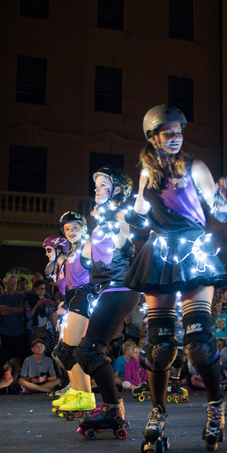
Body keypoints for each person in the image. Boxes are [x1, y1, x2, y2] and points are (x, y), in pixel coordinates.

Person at [124, 104, 227, 452]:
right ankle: (157, 412)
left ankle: (216, 407)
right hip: (159, 254)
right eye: (168, 132)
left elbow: (218, 210)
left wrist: (224, 198)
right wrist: (127, 211)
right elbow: (141, 215)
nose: (175, 138)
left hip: (193, 252)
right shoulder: (146, 172)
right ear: (152, 136)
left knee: (199, 342)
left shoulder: (194, 167)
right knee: (159, 347)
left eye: (179, 132)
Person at [73, 167, 142, 433]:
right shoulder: (101, 221)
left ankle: (113, 410)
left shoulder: (119, 214)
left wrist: (112, 224)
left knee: (87, 349)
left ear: (117, 191)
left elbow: (126, 245)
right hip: (107, 290)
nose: (96, 189)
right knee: (91, 350)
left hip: (120, 289)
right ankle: (113, 409)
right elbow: (89, 258)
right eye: (96, 185)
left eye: (103, 185)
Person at [47, 212, 96, 416]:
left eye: (75, 227)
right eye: (67, 229)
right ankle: (76, 392)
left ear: (84, 228)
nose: (71, 231)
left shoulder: (87, 246)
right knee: (64, 351)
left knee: (68, 351)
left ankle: (84, 396)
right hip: (73, 299)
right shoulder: (72, 251)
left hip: (83, 297)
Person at [0, 275, 27, 360]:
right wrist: (16, 309)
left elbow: (22, 310)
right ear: (6, 283)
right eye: (11, 282)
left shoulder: (20, 296)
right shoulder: (1, 297)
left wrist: (7, 308)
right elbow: (1, 312)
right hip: (5, 331)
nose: (14, 284)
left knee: (18, 357)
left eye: (15, 282)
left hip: (18, 331)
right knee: (5, 357)